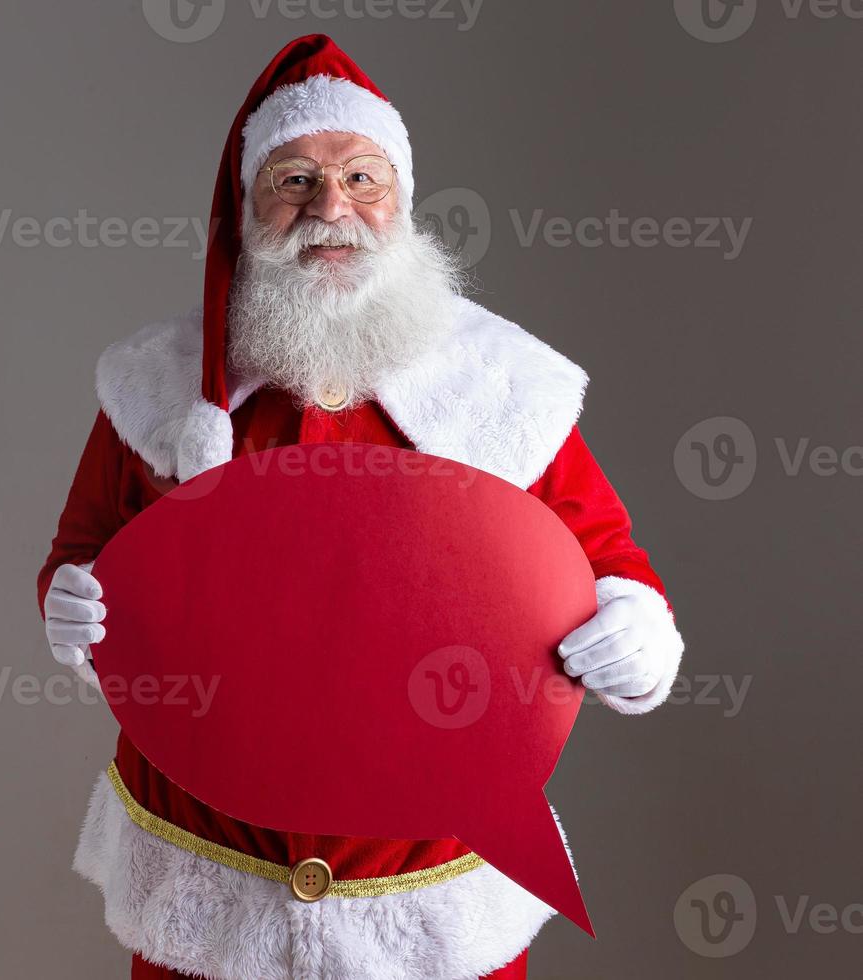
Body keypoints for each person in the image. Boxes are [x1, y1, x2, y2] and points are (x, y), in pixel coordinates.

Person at [36, 35, 685, 980]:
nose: (330, 208)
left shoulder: (503, 385)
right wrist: (71, 605)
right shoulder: (155, 387)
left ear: (403, 200)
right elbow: (82, 548)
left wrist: (634, 629)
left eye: (361, 177)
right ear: (246, 205)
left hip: (429, 883)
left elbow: (608, 562)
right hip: (207, 869)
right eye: (294, 179)